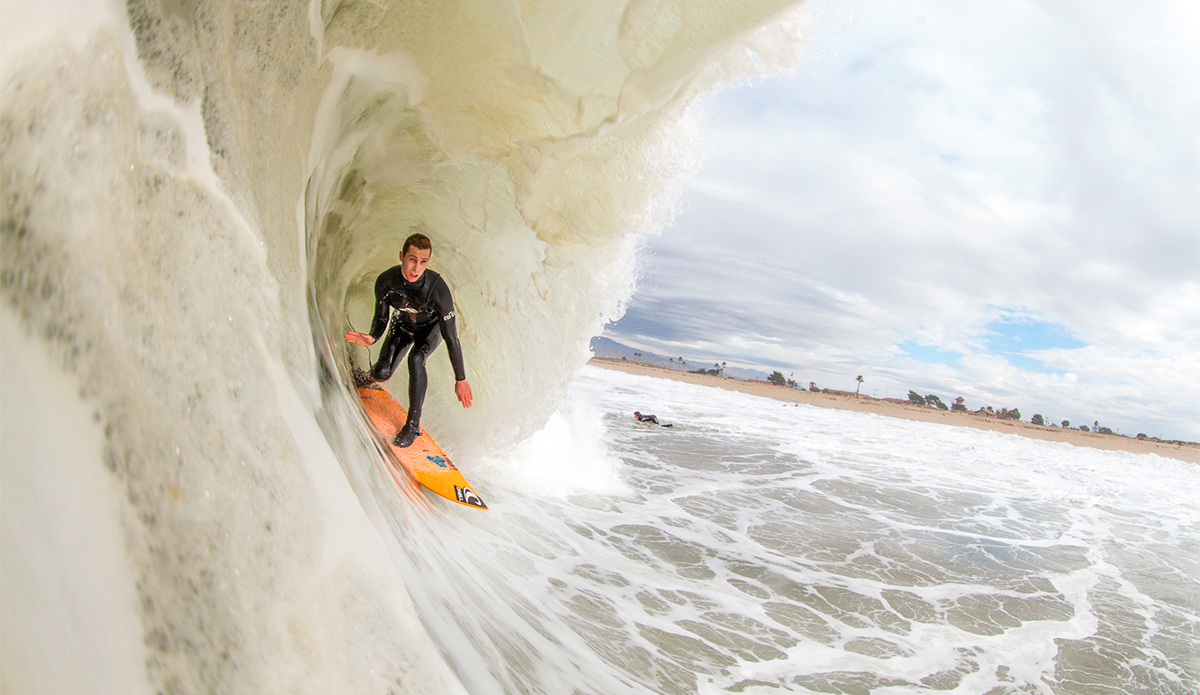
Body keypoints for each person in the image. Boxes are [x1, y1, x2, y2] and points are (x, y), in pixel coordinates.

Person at [345, 233, 473, 447]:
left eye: (423, 262)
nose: (416, 268)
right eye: (412, 259)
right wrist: (371, 337)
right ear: (402, 256)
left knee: (416, 358)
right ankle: (369, 377)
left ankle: (412, 425)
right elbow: (382, 318)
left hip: (429, 330)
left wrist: (460, 378)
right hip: (403, 325)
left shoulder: (437, 290)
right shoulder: (386, 282)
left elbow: (451, 337)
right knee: (382, 373)